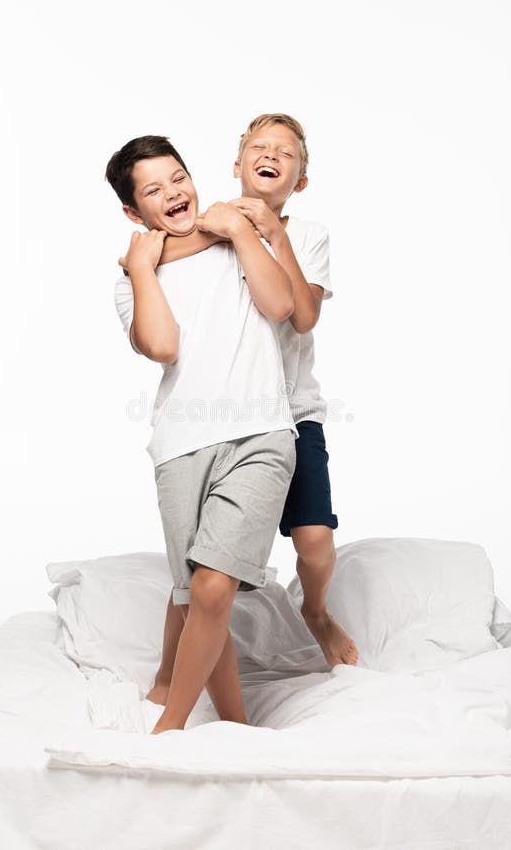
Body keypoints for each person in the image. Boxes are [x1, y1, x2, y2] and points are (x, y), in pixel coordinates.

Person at [147, 115, 358, 709]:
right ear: (236, 165)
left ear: (302, 179)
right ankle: (168, 673)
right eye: (258, 149)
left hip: (295, 410)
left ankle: (314, 610)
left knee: (314, 540)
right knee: (202, 566)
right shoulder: (211, 221)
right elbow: (171, 260)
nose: (271, 156)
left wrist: (273, 234)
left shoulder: (307, 233)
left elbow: (303, 315)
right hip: (229, 418)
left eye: (286, 154)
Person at [107, 135, 298, 733]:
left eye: (178, 177)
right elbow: (162, 345)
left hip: (261, 434)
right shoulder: (132, 280)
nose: (174, 194)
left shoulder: (235, 240)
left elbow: (279, 305)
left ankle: (170, 730)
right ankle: (236, 728)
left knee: (214, 588)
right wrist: (142, 267)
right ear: (134, 213)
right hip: (179, 449)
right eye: (154, 190)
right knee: (196, 597)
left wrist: (242, 234)